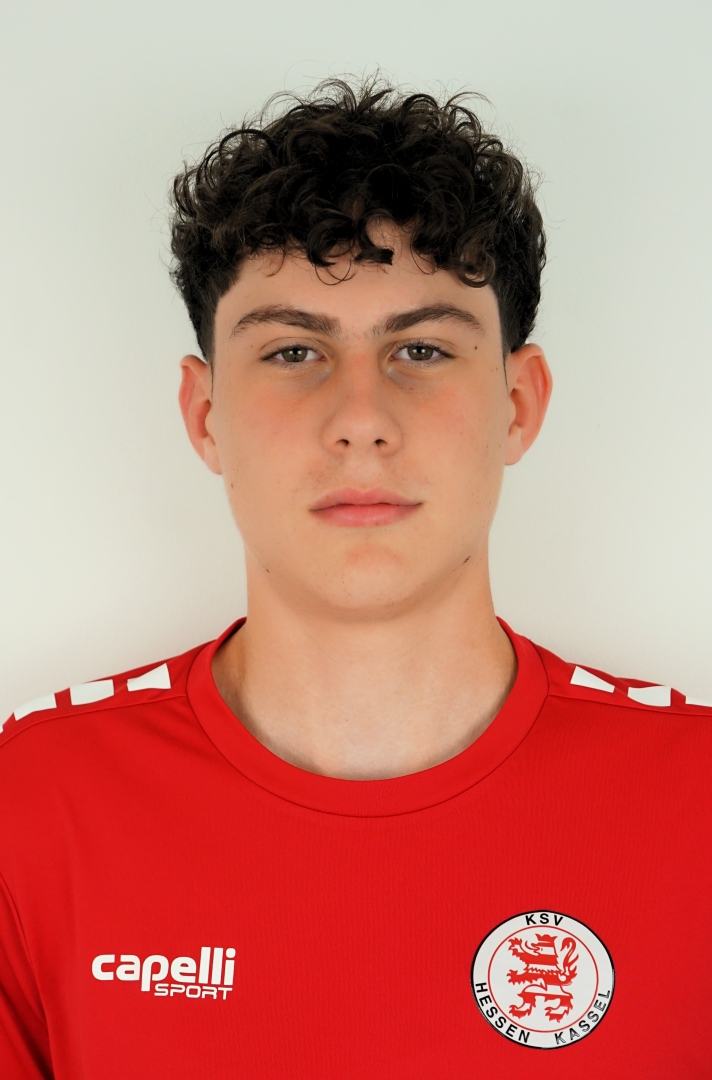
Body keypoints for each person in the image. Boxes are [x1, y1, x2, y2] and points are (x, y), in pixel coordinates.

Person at [0, 78, 709, 1079]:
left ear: (517, 403)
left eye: (421, 348)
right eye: (294, 350)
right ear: (205, 415)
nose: (362, 418)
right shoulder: (32, 809)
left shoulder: (696, 803)